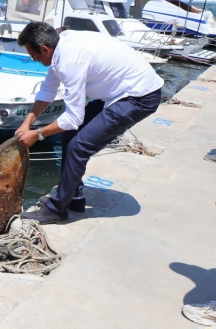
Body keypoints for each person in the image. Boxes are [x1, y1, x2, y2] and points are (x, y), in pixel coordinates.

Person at [15, 22, 163, 224]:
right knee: (71, 135)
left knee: (79, 145)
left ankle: (57, 209)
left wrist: (38, 134)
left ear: (44, 49)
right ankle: (74, 197)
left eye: (34, 56)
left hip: (139, 96)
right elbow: (47, 91)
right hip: (118, 92)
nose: (35, 60)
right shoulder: (60, 48)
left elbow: (73, 118)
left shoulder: (69, 61)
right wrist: (26, 123)